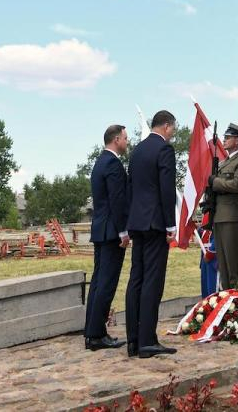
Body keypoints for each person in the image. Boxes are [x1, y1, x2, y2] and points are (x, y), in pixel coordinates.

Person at [125, 109, 179, 359]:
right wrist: (171, 224)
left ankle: (133, 341)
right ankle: (148, 340)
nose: (173, 134)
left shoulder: (136, 151)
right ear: (166, 127)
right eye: (173, 129)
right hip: (156, 222)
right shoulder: (164, 150)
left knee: (136, 278)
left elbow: (132, 187)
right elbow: (166, 190)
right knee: (152, 281)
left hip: (137, 221)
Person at [84, 123, 130, 351]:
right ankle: (96, 334)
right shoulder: (112, 164)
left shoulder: (100, 162)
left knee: (98, 282)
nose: (127, 141)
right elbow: (117, 200)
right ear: (115, 140)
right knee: (107, 283)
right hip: (112, 231)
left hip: (101, 228)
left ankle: (90, 330)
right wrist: (124, 231)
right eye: (125, 137)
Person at [208, 121, 238, 288]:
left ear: (237, 140)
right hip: (219, 215)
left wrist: (215, 182)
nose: (224, 140)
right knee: (222, 265)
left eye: (228, 137)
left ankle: (235, 298)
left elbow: (237, 185)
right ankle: (226, 298)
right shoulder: (222, 163)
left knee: (232, 264)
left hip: (231, 216)